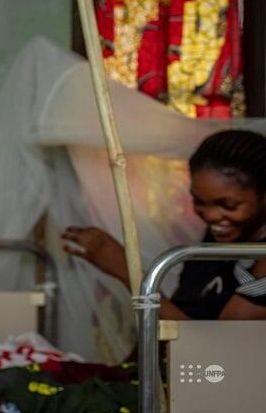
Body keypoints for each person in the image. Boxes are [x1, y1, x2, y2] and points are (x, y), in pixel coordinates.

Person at [62, 129, 266, 320]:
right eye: (199, 202)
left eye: (227, 205)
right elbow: (180, 308)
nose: (211, 215)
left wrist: (127, 270)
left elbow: (218, 345)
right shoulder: (221, 237)